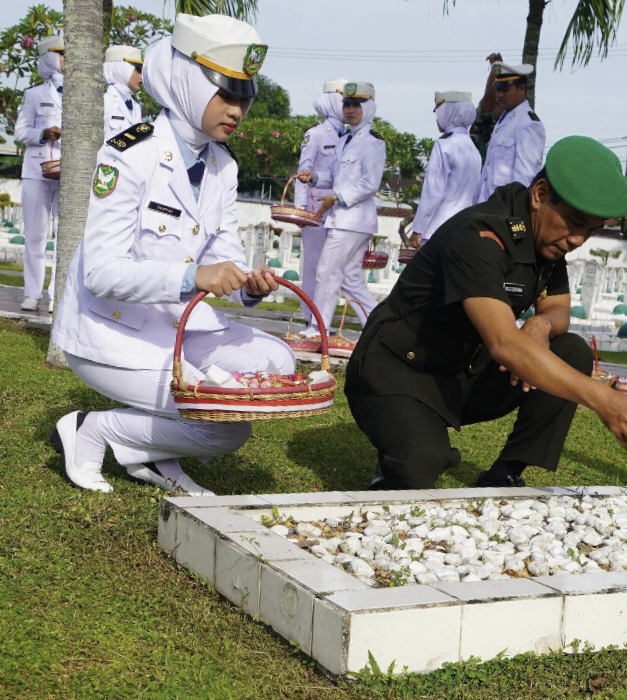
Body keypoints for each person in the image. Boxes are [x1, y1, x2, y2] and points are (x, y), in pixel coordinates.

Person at [49, 14, 294, 494]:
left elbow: (224, 257)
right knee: (225, 427)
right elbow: (100, 272)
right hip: (111, 329)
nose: (237, 110)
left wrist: (249, 286)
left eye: (244, 97)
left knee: (279, 361)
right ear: (186, 82)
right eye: (226, 93)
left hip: (177, 329)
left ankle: (156, 454)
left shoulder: (222, 166)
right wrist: (193, 276)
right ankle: (91, 429)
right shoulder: (130, 152)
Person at [345, 135, 627, 491]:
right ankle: (398, 452)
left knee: (571, 350)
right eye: (574, 222)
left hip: (460, 373)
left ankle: (506, 472)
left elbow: (559, 308)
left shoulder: (547, 241)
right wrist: (604, 399)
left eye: (590, 231)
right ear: (540, 194)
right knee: (419, 465)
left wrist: (540, 324)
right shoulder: (481, 235)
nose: (578, 240)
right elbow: (503, 342)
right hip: (398, 370)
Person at [296, 81, 385, 352]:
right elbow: (337, 177)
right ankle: (379, 327)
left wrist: (336, 197)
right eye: (347, 104)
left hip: (352, 220)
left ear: (367, 108)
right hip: (344, 219)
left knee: (326, 271)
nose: (350, 110)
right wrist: (316, 177)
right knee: (349, 279)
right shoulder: (346, 140)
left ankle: (317, 329)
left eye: (356, 105)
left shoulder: (371, 143)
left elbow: (370, 183)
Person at [290, 78, 347, 329]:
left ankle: (323, 318)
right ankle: (309, 316)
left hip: (339, 211)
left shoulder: (350, 137)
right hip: (315, 211)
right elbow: (303, 174)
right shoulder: (314, 135)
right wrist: (301, 211)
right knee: (314, 264)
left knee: (333, 268)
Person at [14, 33, 64, 313]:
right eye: (62, 54)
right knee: (35, 235)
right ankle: (32, 293)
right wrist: (43, 133)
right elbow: (20, 132)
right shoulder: (33, 95)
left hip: (66, 172)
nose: (67, 59)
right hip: (37, 171)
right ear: (49, 58)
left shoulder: (80, 92)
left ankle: (57, 294)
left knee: (63, 236)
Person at [408, 91, 482, 249]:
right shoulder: (473, 149)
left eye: (439, 112)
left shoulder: (444, 145)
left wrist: (417, 229)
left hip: (438, 228)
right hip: (463, 227)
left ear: (449, 113)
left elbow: (433, 191)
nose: (437, 118)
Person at [473, 62, 546, 203]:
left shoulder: (528, 123)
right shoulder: (505, 120)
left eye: (505, 90)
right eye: (498, 89)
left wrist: (515, 213)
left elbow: (525, 177)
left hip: (506, 209)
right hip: (489, 205)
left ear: (522, 89)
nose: (500, 95)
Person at [102, 45, 144, 140]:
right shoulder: (105, 102)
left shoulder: (136, 106)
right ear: (121, 68)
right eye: (137, 70)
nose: (141, 76)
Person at [469, 52, 504, 159]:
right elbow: (488, 100)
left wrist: (497, 68)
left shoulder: (519, 125)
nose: (501, 97)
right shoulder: (485, 127)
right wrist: (496, 69)